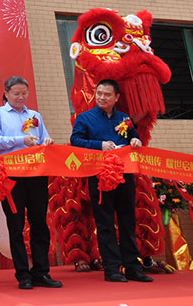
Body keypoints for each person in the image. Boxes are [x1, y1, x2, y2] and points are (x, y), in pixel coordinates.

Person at [70, 79, 153, 283]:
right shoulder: (85, 118)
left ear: (116, 97)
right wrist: (99, 145)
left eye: (107, 94)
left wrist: (135, 140)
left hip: (124, 175)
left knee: (128, 221)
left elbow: (134, 137)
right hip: (100, 176)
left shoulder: (124, 118)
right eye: (99, 93)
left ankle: (132, 267)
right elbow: (75, 140)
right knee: (105, 223)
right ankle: (112, 269)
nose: (102, 97)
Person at [0, 76, 61, 290]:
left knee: (39, 224)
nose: (21, 97)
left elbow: (44, 138)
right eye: (16, 93)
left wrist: (47, 141)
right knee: (16, 225)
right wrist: (20, 140)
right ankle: (23, 274)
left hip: (36, 174)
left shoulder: (35, 115)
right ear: (6, 93)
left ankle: (41, 272)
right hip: (11, 177)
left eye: (24, 93)